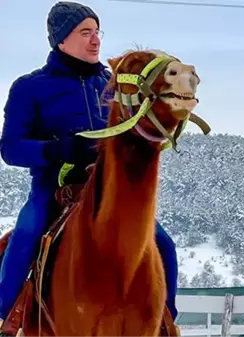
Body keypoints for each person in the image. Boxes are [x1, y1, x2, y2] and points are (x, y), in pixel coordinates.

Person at [0, 1, 180, 332]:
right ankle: (4, 318)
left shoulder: (115, 85)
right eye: (85, 32)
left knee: (163, 244)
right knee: (25, 235)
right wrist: (58, 149)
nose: (96, 40)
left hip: (111, 195)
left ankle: (166, 321)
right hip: (54, 191)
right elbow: (10, 148)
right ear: (61, 39)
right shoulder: (29, 87)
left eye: (97, 32)